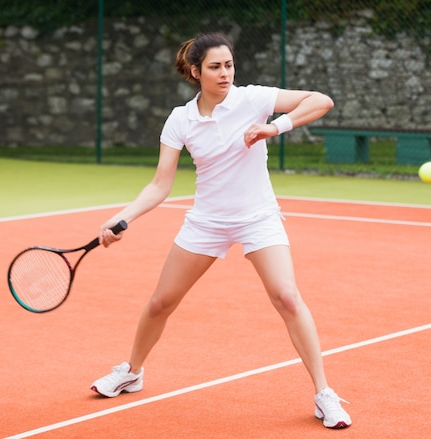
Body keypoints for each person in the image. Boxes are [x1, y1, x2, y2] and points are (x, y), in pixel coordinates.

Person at [91, 32, 352, 429]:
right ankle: (132, 371)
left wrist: (275, 128)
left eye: (229, 64)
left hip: (258, 217)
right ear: (196, 72)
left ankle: (324, 394)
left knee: (287, 297)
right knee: (161, 302)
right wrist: (122, 217)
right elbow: (161, 184)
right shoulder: (181, 119)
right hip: (207, 221)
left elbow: (321, 100)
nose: (225, 73)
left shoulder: (253, 99)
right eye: (215, 66)